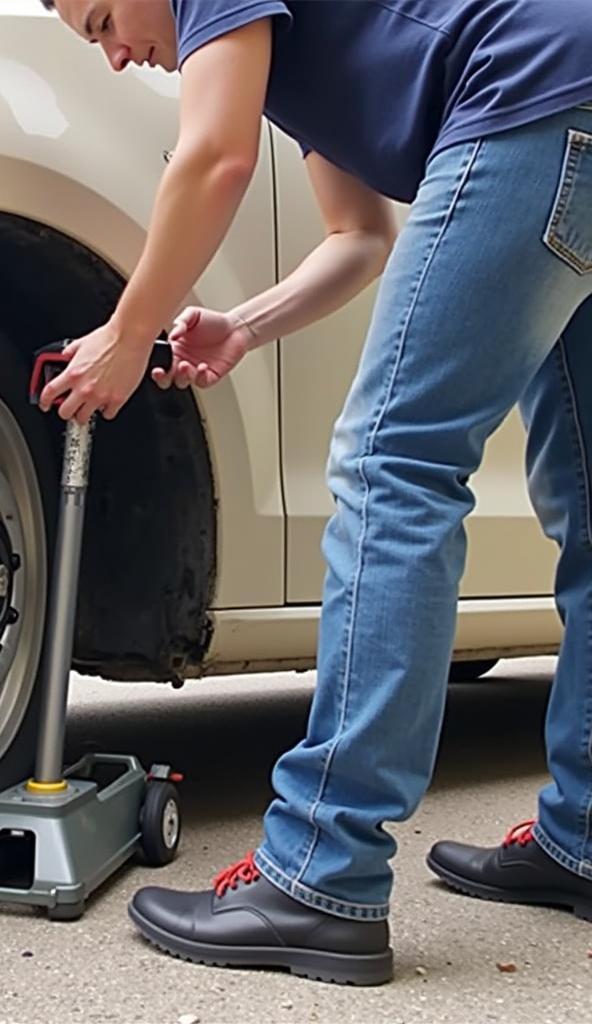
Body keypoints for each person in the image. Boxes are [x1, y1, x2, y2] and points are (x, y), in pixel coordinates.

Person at [37, 0, 592, 987]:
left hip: (536, 101)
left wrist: (127, 333)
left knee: (393, 462)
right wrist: (245, 323)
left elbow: (213, 159)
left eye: (99, 22)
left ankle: (321, 874)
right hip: (570, 104)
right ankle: (586, 833)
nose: (117, 56)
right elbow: (359, 234)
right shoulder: (291, 53)